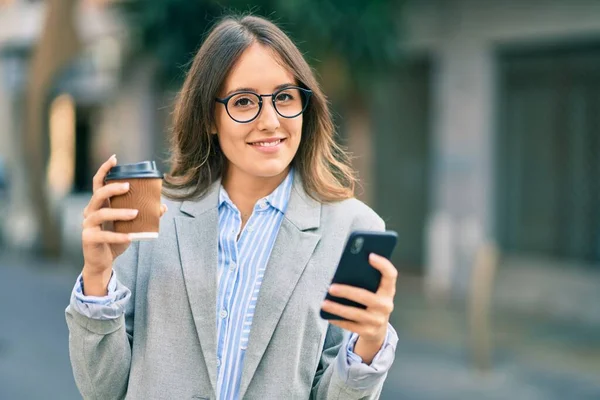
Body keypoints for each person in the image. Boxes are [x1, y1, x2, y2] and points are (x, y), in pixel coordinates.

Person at [66, 14, 399, 400]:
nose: (271, 121)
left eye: (285, 97)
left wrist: (369, 344)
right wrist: (97, 276)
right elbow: (101, 389)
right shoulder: (155, 217)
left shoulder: (354, 229)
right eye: (244, 102)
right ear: (210, 116)